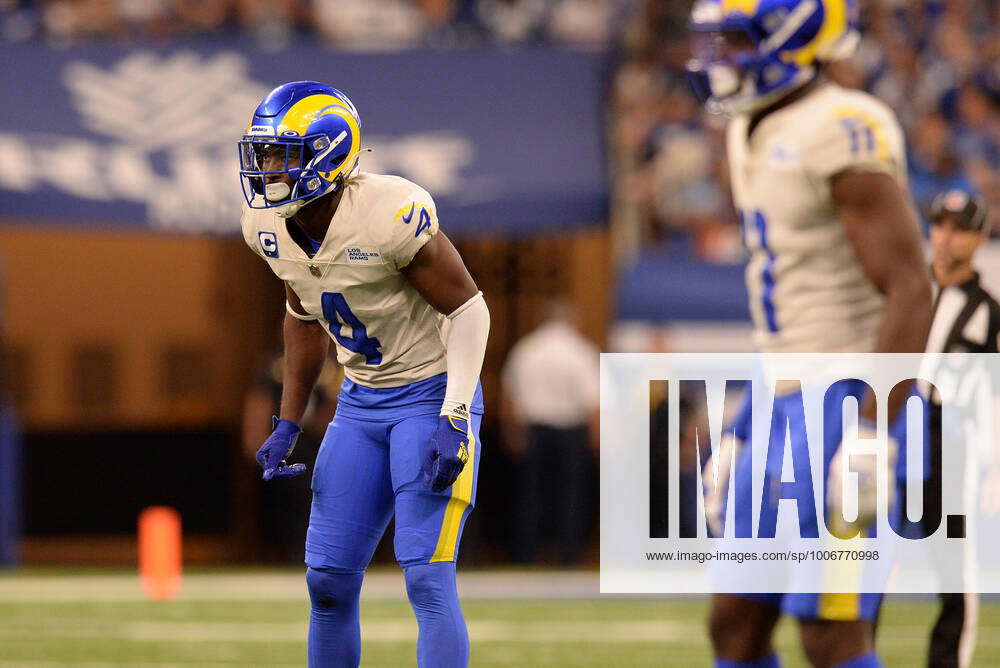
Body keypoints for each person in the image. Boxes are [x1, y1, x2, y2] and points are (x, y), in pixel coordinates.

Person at [687, 2, 933, 667]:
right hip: (781, 397)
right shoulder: (748, 129)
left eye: (735, 41)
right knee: (734, 627)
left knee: (830, 632)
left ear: (792, 41)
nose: (719, 59)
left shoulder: (843, 126)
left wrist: (874, 433)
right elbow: (792, 302)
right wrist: (745, 427)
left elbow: (912, 286)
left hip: (850, 396)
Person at [237, 81, 490, 668]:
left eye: (282, 154)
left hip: (430, 394)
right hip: (360, 403)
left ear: (327, 153)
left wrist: (454, 414)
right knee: (326, 585)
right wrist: (288, 420)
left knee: (427, 580)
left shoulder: (387, 212)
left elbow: (469, 309)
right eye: (265, 155)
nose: (268, 168)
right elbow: (302, 314)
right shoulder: (268, 228)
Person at [922, 190, 994, 668]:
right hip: (891, 436)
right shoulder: (906, 288)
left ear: (979, 238)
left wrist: (991, 464)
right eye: (941, 225)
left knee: (953, 563)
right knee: (866, 556)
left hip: (950, 442)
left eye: (960, 228)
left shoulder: (988, 310)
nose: (947, 238)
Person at [500, 300, 599, 564]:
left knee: (530, 496)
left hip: (534, 429)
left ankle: (526, 555)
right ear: (572, 322)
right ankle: (570, 556)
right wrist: (595, 438)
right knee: (571, 496)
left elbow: (510, 396)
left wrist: (512, 432)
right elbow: (592, 401)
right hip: (571, 432)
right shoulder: (581, 351)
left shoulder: (526, 349)